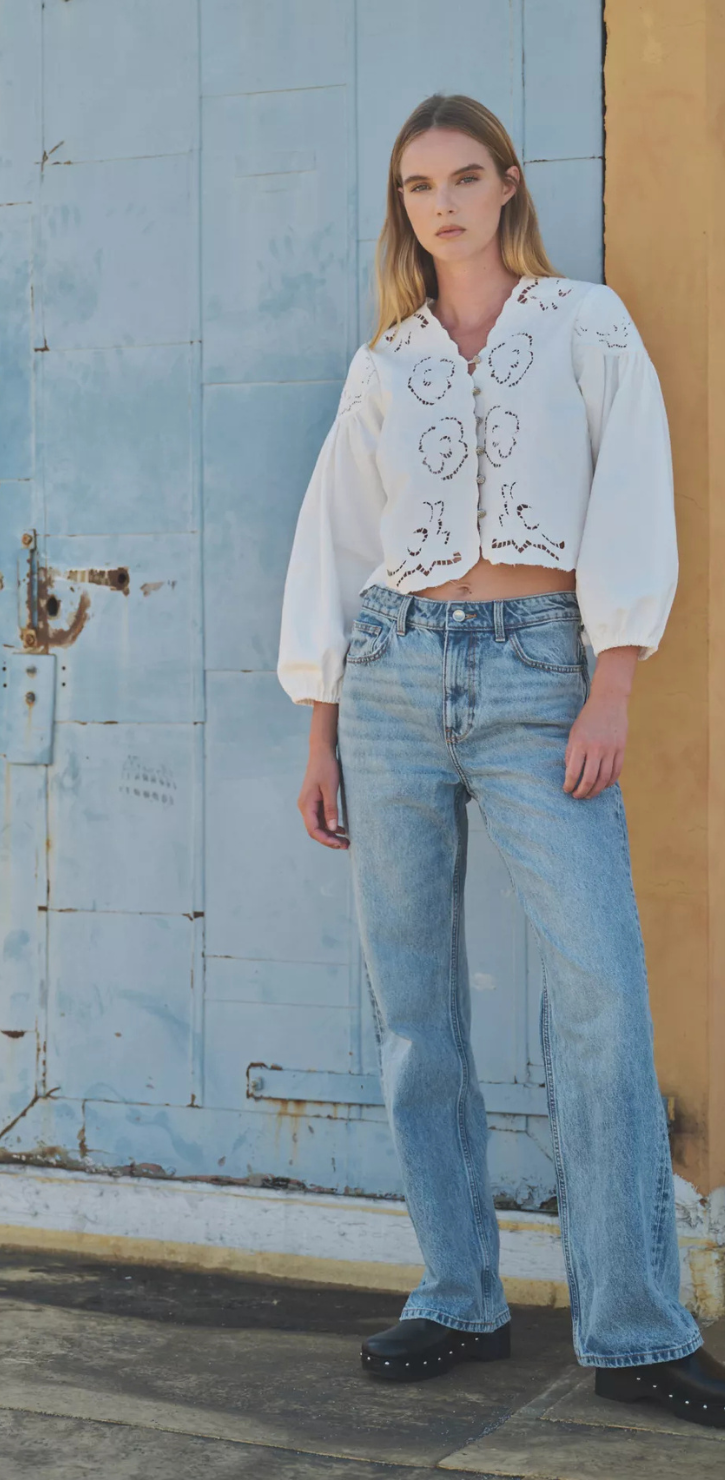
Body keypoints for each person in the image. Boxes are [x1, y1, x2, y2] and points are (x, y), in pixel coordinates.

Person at [277, 93, 724, 1427]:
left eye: (466, 177)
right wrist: (321, 720)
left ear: (510, 186)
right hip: (395, 680)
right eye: (420, 186)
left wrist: (613, 679)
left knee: (601, 999)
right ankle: (457, 1295)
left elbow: (635, 489)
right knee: (415, 1014)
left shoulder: (582, 325)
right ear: (402, 208)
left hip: (545, 674)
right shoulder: (386, 364)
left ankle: (636, 1328)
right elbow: (339, 547)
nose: (446, 204)